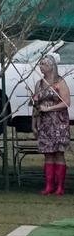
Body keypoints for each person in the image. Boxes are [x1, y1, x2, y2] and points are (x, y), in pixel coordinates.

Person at [32, 54, 70, 196]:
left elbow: (66, 102)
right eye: (40, 64)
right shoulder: (39, 84)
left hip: (59, 123)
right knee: (48, 154)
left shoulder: (60, 82)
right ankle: (49, 186)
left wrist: (49, 108)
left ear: (51, 66)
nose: (40, 66)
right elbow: (35, 105)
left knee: (59, 153)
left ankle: (60, 186)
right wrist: (34, 124)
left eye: (43, 64)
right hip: (45, 123)